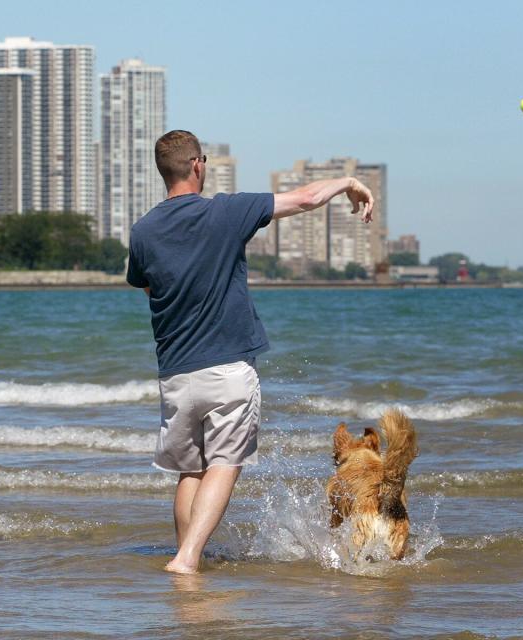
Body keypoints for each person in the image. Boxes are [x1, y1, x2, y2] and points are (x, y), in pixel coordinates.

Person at [126, 130, 374, 574]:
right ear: (198, 164)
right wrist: (347, 182)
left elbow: (148, 287)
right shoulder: (227, 211)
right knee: (225, 462)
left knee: (190, 471)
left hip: (176, 372)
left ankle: (185, 554)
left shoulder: (143, 231)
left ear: (164, 172)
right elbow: (303, 199)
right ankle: (187, 559)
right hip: (227, 368)